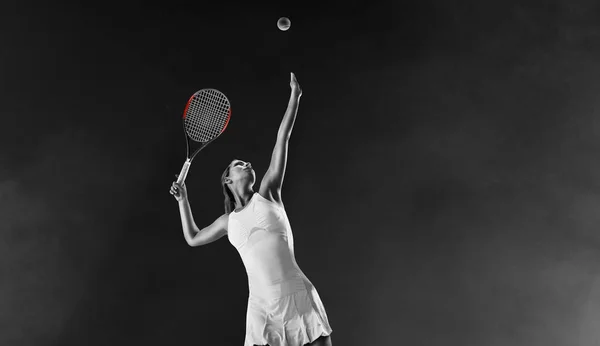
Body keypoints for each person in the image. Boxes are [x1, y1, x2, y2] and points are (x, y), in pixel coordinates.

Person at [169, 73, 333, 346]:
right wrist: (183, 200)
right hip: (261, 308)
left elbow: (283, 138)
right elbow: (193, 237)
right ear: (228, 180)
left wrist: (295, 96)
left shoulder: (269, 193)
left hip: (298, 296)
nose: (246, 163)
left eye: (246, 162)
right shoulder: (228, 222)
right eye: (238, 164)